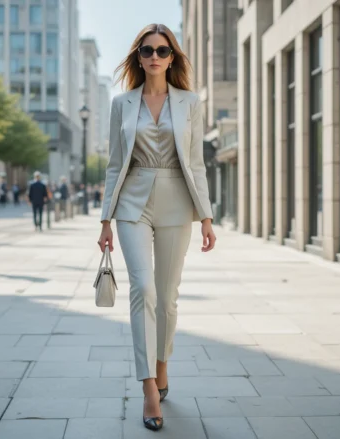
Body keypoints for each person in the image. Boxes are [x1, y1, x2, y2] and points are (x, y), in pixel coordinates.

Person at [97, 24, 216, 432]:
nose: (154, 57)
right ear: (138, 56)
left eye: (162, 51)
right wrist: (105, 220)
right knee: (142, 290)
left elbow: (196, 164)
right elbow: (115, 164)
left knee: (166, 298)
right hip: (132, 200)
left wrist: (206, 217)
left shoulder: (190, 103)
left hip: (176, 200)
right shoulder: (121, 104)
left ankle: (163, 365)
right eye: (146, 50)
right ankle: (149, 387)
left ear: (172, 57)